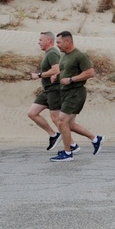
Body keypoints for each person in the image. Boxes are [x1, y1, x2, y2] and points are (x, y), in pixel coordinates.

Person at [49, 31, 104, 162]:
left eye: (59, 42)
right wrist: (56, 76)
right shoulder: (64, 56)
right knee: (70, 124)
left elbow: (90, 73)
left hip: (76, 92)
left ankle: (68, 153)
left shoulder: (80, 55)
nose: (57, 45)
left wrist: (72, 79)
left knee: (62, 121)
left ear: (68, 41)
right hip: (66, 92)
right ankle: (96, 139)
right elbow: (63, 70)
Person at [27, 31, 62, 151]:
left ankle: (72, 145)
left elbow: (56, 69)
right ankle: (53, 135)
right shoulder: (48, 53)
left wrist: (39, 75)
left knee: (56, 118)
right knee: (32, 113)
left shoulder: (52, 53)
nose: (38, 42)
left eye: (41, 40)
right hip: (47, 90)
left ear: (49, 41)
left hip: (54, 90)